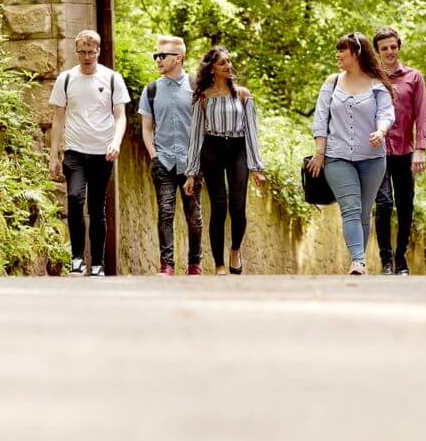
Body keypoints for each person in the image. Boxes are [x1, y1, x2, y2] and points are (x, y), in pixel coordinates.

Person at [306, 32, 396, 276]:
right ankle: (358, 261)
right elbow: (321, 117)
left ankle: (360, 258)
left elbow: (387, 114)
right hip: (337, 156)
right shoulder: (332, 82)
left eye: (342, 51)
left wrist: (381, 131)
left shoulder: (377, 83)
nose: (338, 55)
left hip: (372, 158)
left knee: (364, 212)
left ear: (356, 53)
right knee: (351, 208)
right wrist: (319, 151)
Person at [48, 29, 130, 277]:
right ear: (76, 52)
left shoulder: (112, 79)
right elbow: (58, 118)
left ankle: (97, 263)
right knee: (74, 198)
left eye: (90, 52)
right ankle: (76, 259)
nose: (86, 56)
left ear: (98, 51)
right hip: (74, 150)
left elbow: (120, 116)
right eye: (82, 52)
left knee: (97, 207)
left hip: (102, 152)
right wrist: (54, 155)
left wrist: (115, 142)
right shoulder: (65, 79)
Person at [184, 47, 265, 275]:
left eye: (229, 61)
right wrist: (191, 172)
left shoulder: (242, 94)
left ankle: (235, 251)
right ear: (212, 69)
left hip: (237, 149)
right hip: (212, 150)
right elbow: (196, 135)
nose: (228, 66)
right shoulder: (202, 97)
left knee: (238, 207)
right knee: (218, 208)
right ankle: (219, 264)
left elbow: (251, 131)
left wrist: (257, 167)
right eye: (223, 63)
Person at [139, 35, 203, 277]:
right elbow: (147, 128)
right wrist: (154, 155)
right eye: (156, 55)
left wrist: (196, 162)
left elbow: (203, 127)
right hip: (163, 161)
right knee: (165, 213)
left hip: (191, 164)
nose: (157, 60)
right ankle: (167, 265)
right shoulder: (152, 90)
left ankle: (194, 265)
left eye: (162, 55)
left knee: (193, 215)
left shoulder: (197, 88)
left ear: (178, 58)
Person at [372, 27, 426, 276]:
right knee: (383, 204)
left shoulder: (413, 78)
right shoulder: (371, 79)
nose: (389, 52)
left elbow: (421, 115)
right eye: (384, 48)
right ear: (377, 52)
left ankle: (400, 259)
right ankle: (385, 261)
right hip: (377, 151)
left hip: (405, 151)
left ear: (399, 47)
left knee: (405, 206)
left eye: (393, 46)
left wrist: (421, 149)